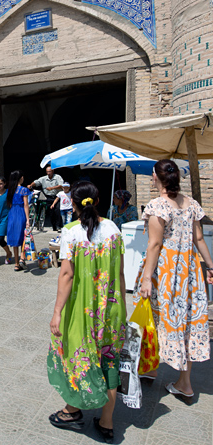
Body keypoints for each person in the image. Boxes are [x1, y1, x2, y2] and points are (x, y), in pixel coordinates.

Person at [48, 181, 126, 443]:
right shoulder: (114, 229)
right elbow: (121, 272)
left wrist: (57, 311)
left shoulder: (70, 232)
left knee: (76, 355)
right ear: (98, 199)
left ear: (72, 201)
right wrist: (122, 309)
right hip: (112, 308)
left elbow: (67, 274)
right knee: (109, 360)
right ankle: (107, 422)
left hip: (82, 310)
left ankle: (72, 411)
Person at [136, 159, 213, 398]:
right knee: (187, 320)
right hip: (189, 272)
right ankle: (184, 383)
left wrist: (146, 278)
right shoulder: (191, 204)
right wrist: (210, 266)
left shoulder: (158, 206)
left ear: (156, 177)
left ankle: (150, 369)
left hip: (165, 272)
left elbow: (155, 244)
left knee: (153, 318)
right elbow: (199, 239)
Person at [6, 171, 31, 271]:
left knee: (15, 238)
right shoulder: (23, 190)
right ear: (20, 178)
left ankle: (16, 263)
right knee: (23, 237)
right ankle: (22, 258)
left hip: (12, 214)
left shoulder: (9, 190)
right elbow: (26, 205)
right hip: (21, 213)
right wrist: (28, 219)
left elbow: (9, 205)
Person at [29, 164, 64, 230]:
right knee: (50, 212)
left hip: (57, 197)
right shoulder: (43, 178)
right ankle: (54, 226)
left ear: (53, 171)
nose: (48, 173)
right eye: (47, 172)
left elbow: (61, 185)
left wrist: (52, 188)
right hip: (48, 197)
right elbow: (36, 182)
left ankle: (58, 225)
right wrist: (31, 185)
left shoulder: (57, 177)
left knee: (57, 210)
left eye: (50, 171)